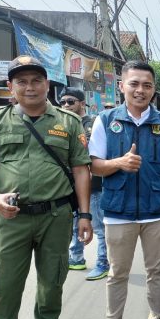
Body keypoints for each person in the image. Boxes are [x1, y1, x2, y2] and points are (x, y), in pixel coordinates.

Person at [0, 56, 92, 319]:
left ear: (47, 85)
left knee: (51, 282)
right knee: (5, 284)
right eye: (21, 81)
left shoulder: (68, 122)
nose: (30, 87)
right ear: (10, 87)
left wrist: (84, 214)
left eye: (36, 80)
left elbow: (81, 170)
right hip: (12, 219)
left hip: (56, 216)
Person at [88, 61, 160, 319]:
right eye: (134, 84)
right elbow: (93, 166)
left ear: (153, 89)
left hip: (157, 210)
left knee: (157, 272)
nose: (140, 90)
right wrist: (119, 163)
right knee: (117, 273)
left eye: (146, 85)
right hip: (118, 211)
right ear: (122, 86)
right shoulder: (104, 121)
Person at [61, 88, 108, 280]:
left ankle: (103, 262)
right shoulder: (62, 124)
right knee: (75, 224)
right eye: (62, 102)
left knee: (98, 227)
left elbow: (87, 153)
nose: (65, 105)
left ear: (81, 103)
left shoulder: (91, 124)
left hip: (93, 185)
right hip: (71, 186)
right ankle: (77, 258)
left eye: (70, 102)